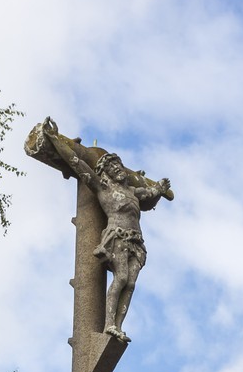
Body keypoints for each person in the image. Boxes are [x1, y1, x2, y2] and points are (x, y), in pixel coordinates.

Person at [39, 120, 172, 338]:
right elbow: (78, 164)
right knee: (120, 278)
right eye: (111, 168)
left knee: (130, 285)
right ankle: (108, 324)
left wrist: (159, 189)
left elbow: (150, 195)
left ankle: (117, 327)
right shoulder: (102, 188)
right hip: (117, 237)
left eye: (118, 165)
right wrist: (55, 139)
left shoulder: (133, 191)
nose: (117, 169)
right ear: (106, 173)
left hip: (137, 242)